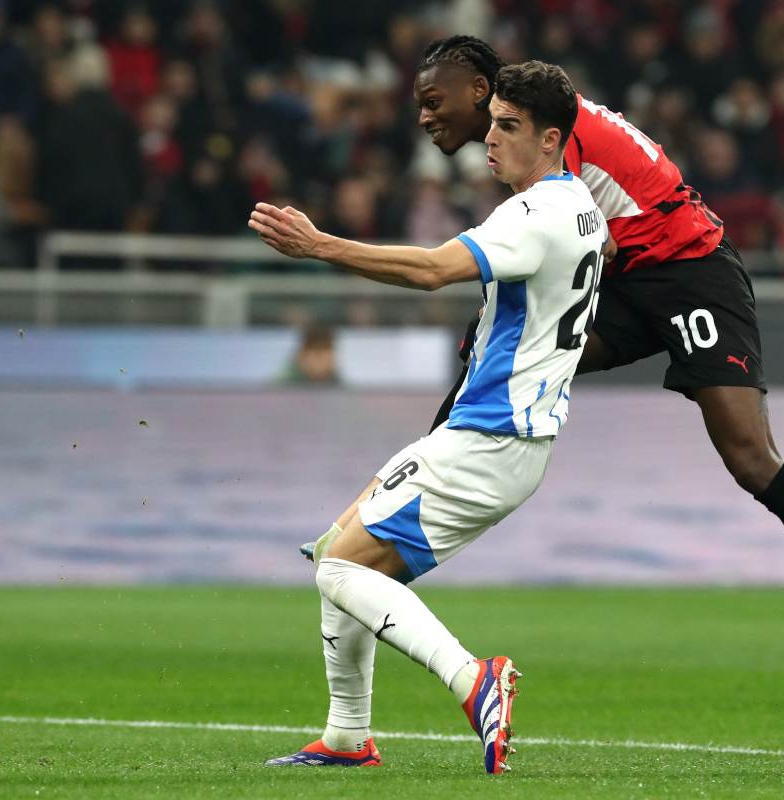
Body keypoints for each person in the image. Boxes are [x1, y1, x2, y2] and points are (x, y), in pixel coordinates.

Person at [412, 36, 784, 700]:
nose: (425, 117)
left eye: (433, 100)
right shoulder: (527, 124)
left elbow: (591, 239)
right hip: (623, 276)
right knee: (487, 350)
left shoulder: (548, 127)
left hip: (689, 271)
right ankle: (398, 509)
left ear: (480, 93)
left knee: (750, 458)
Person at [249, 61, 607, 773]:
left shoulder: (533, 215)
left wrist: (319, 246)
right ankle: (347, 736)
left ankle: (473, 680)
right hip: (498, 437)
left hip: (492, 437)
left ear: (552, 140)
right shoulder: (584, 210)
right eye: (494, 121)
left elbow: (430, 272)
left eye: (510, 126)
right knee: (341, 549)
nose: (492, 139)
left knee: (338, 572)